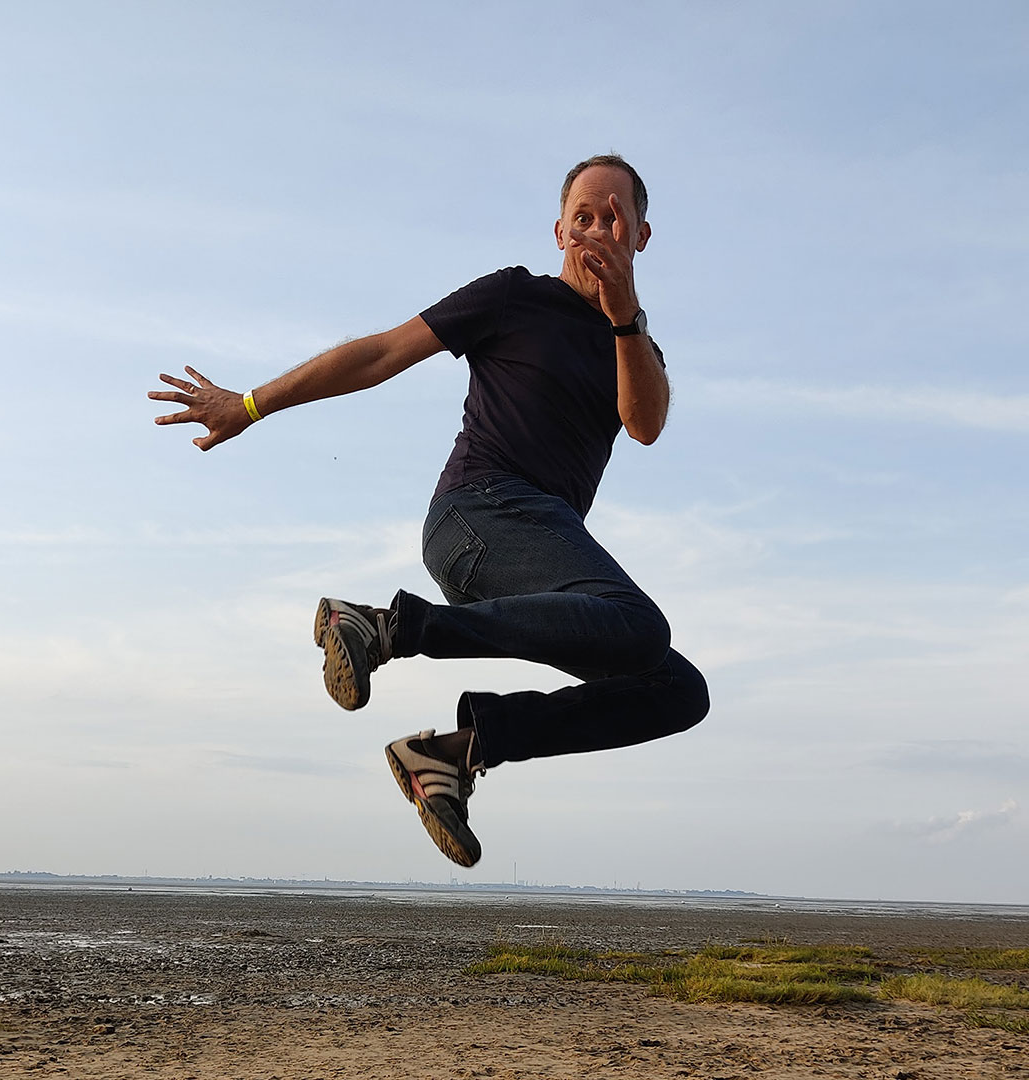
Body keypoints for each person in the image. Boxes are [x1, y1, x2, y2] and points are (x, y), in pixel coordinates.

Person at [147, 154, 709, 867]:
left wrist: (625, 319)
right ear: (559, 232)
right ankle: (386, 627)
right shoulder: (515, 296)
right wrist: (252, 404)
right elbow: (383, 353)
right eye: (583, 216)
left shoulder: (637, 348)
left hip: (537, 549)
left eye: (614, 218)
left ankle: (452, 754)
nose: (597, 229)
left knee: (676, 689)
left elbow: (645, 422)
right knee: (641, 624)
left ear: (641, 236)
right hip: (479, 512)